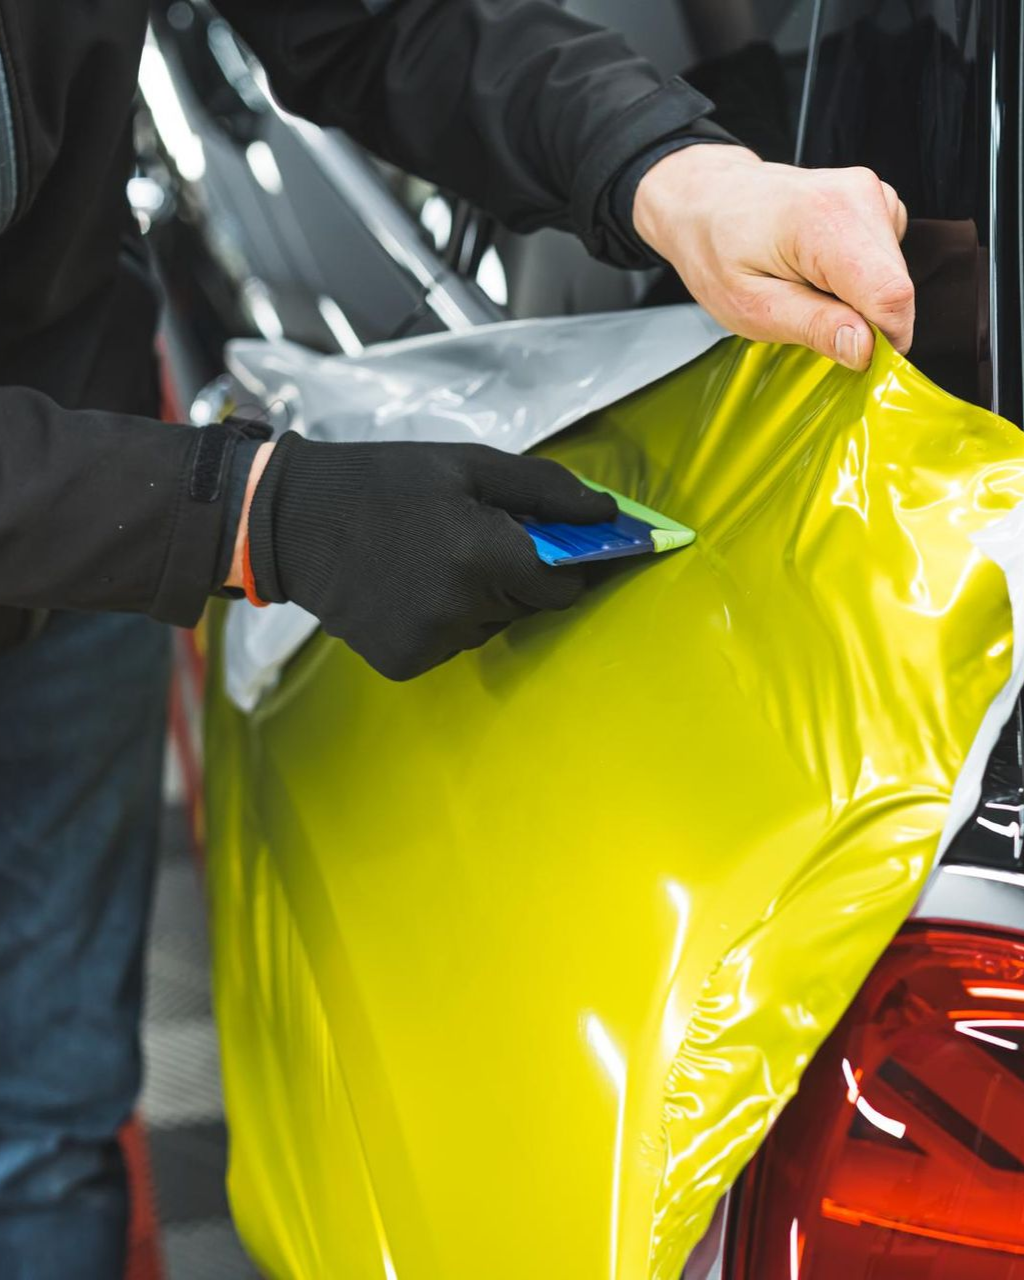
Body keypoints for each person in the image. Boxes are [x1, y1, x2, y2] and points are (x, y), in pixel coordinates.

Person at [0, 1, 914, 1275]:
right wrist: (251, 511)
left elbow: (383, 28)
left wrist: (672, 170)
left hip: (83, 501)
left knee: (42, 1117)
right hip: (114, 497)